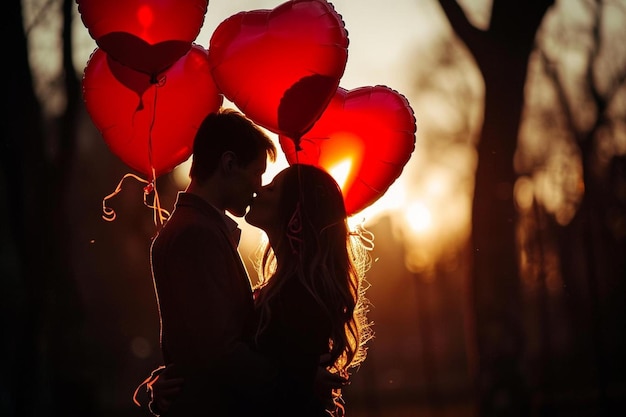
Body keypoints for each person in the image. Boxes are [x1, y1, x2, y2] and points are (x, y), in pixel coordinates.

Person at [147, 163, 374, 417]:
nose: (259, 190)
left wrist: (299, 382)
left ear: (295, 214)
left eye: (272, 188)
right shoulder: (284, 289)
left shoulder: (300, 297)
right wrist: (176, 382)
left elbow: (258, 387)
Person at [139, 108, 280, 417]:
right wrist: (298, 384)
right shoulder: (195, 234)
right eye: (257, 174)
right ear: (229, 164)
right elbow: (220, 352)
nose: (258, 187)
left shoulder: (197, 228)